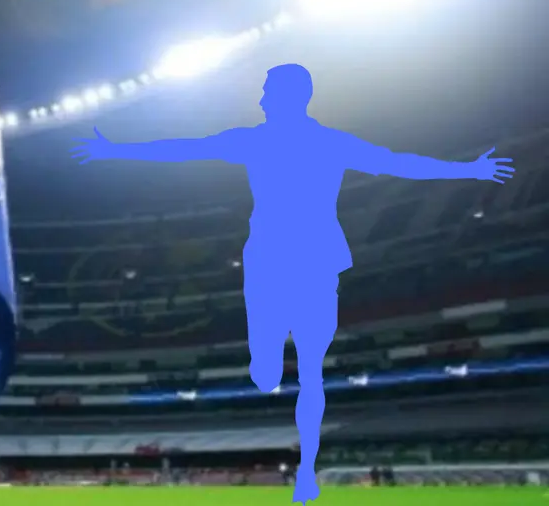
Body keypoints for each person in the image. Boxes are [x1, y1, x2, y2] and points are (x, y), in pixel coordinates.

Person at [70, 63, 514, 504]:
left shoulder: (324, 142)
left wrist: (469, 171)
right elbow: (187, 149)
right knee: (266, 373)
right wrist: (115, 150)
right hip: (269, 259)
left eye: (268, 91)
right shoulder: (257, 140)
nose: (262, 98)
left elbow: (396, 163)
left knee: (311, 372)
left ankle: (306, 474)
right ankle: (265, 364)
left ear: (291, 96)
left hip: (315, 259)